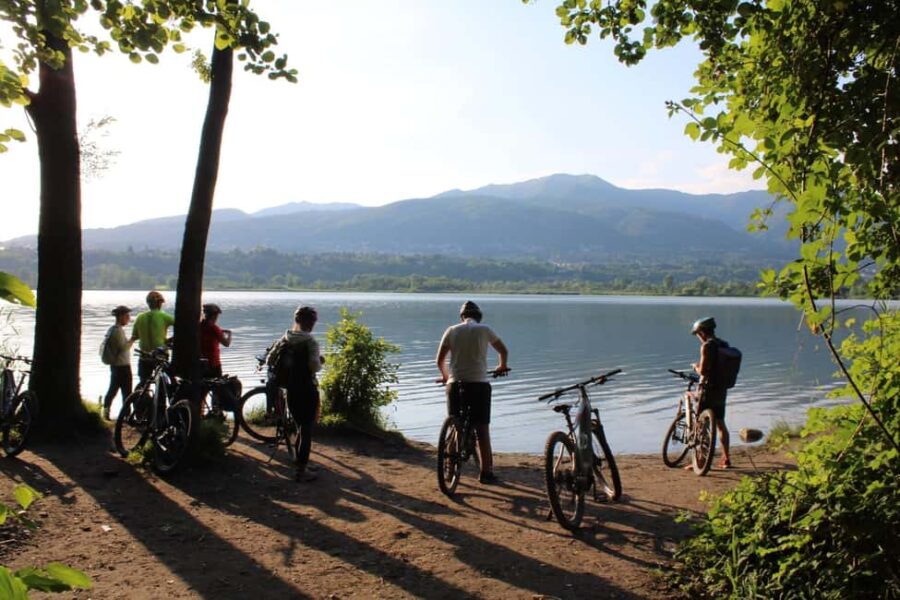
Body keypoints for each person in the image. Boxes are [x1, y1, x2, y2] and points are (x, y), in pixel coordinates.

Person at [436, 300, 509, 485]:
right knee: (482, 429)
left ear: (462, 317)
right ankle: (486, 473)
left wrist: (446, 377)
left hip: (455, 384)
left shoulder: (451, 330)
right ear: (479, 316)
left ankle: (449, 468)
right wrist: (501, 366)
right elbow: (503, 350)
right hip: (478, 385)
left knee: (455, 425)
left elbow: (439, 360)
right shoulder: (484, 329)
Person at [274, 305, 324, 482]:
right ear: (310, 322)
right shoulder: (310, 341)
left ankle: (300, 463)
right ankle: (301, 471)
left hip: (291, 389)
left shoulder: (285, 338)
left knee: (298, 427)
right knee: (307, 429)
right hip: (307, 389)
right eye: (313, 321)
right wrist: (320, 361)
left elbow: (272, 359)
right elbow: (314, 366)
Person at [691, 316, 732, 469]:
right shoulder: (724, 344)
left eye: (697, 334)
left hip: (707, 390)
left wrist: (695, 367)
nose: (698, 337)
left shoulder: (707, 346)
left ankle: (700, 462)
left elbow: (703, 370)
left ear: (702, 332)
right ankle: (726, 458)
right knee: (720, 424)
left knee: (701, 425)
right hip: (721, 390)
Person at [131, 290, 175, 385]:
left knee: (143, 382)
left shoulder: (140, 317)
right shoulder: (164, 316)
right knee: (163, 383)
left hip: (144, 354)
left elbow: (135, 336)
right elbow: (180, 326)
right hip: (160, 354)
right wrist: (170, 340)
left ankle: (141, 397)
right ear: (159, 303)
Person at [101, 305, 134, 420]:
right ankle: (127, 416)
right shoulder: (118, 331)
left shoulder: (112, 329)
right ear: (120, 317)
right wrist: (133, 339)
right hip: (122, 367)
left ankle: (106, 410)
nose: (129, 318)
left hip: (115, 366)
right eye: (127, 316)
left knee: (113, 389)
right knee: (127, 392)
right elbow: (123, 348)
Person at [199, 303, 232, 378]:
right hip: (213, 363)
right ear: (214, 316)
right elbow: (227, 344)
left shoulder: (200, 325)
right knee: (218, 387)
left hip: (201, 363)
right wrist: (229, 334)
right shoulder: (214, 328)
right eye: (217, 316)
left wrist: (220, 332)